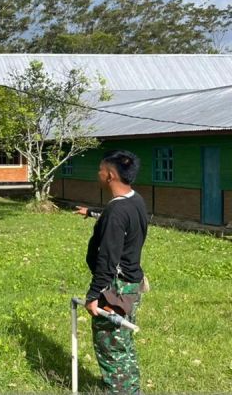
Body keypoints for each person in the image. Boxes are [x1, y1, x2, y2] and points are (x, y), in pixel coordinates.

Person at [75, 150, 149, 395]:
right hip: (131, 284)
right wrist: (91, 213)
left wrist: (93, 295)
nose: (98, 173)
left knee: (111, 346)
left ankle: (121, 390)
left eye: (100, 169)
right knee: (122, 342)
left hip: (116, 288)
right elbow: (118, 218)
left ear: (110, 175)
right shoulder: (135, 200)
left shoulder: (116, 212)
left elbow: (108, 258)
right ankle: (130, 388)